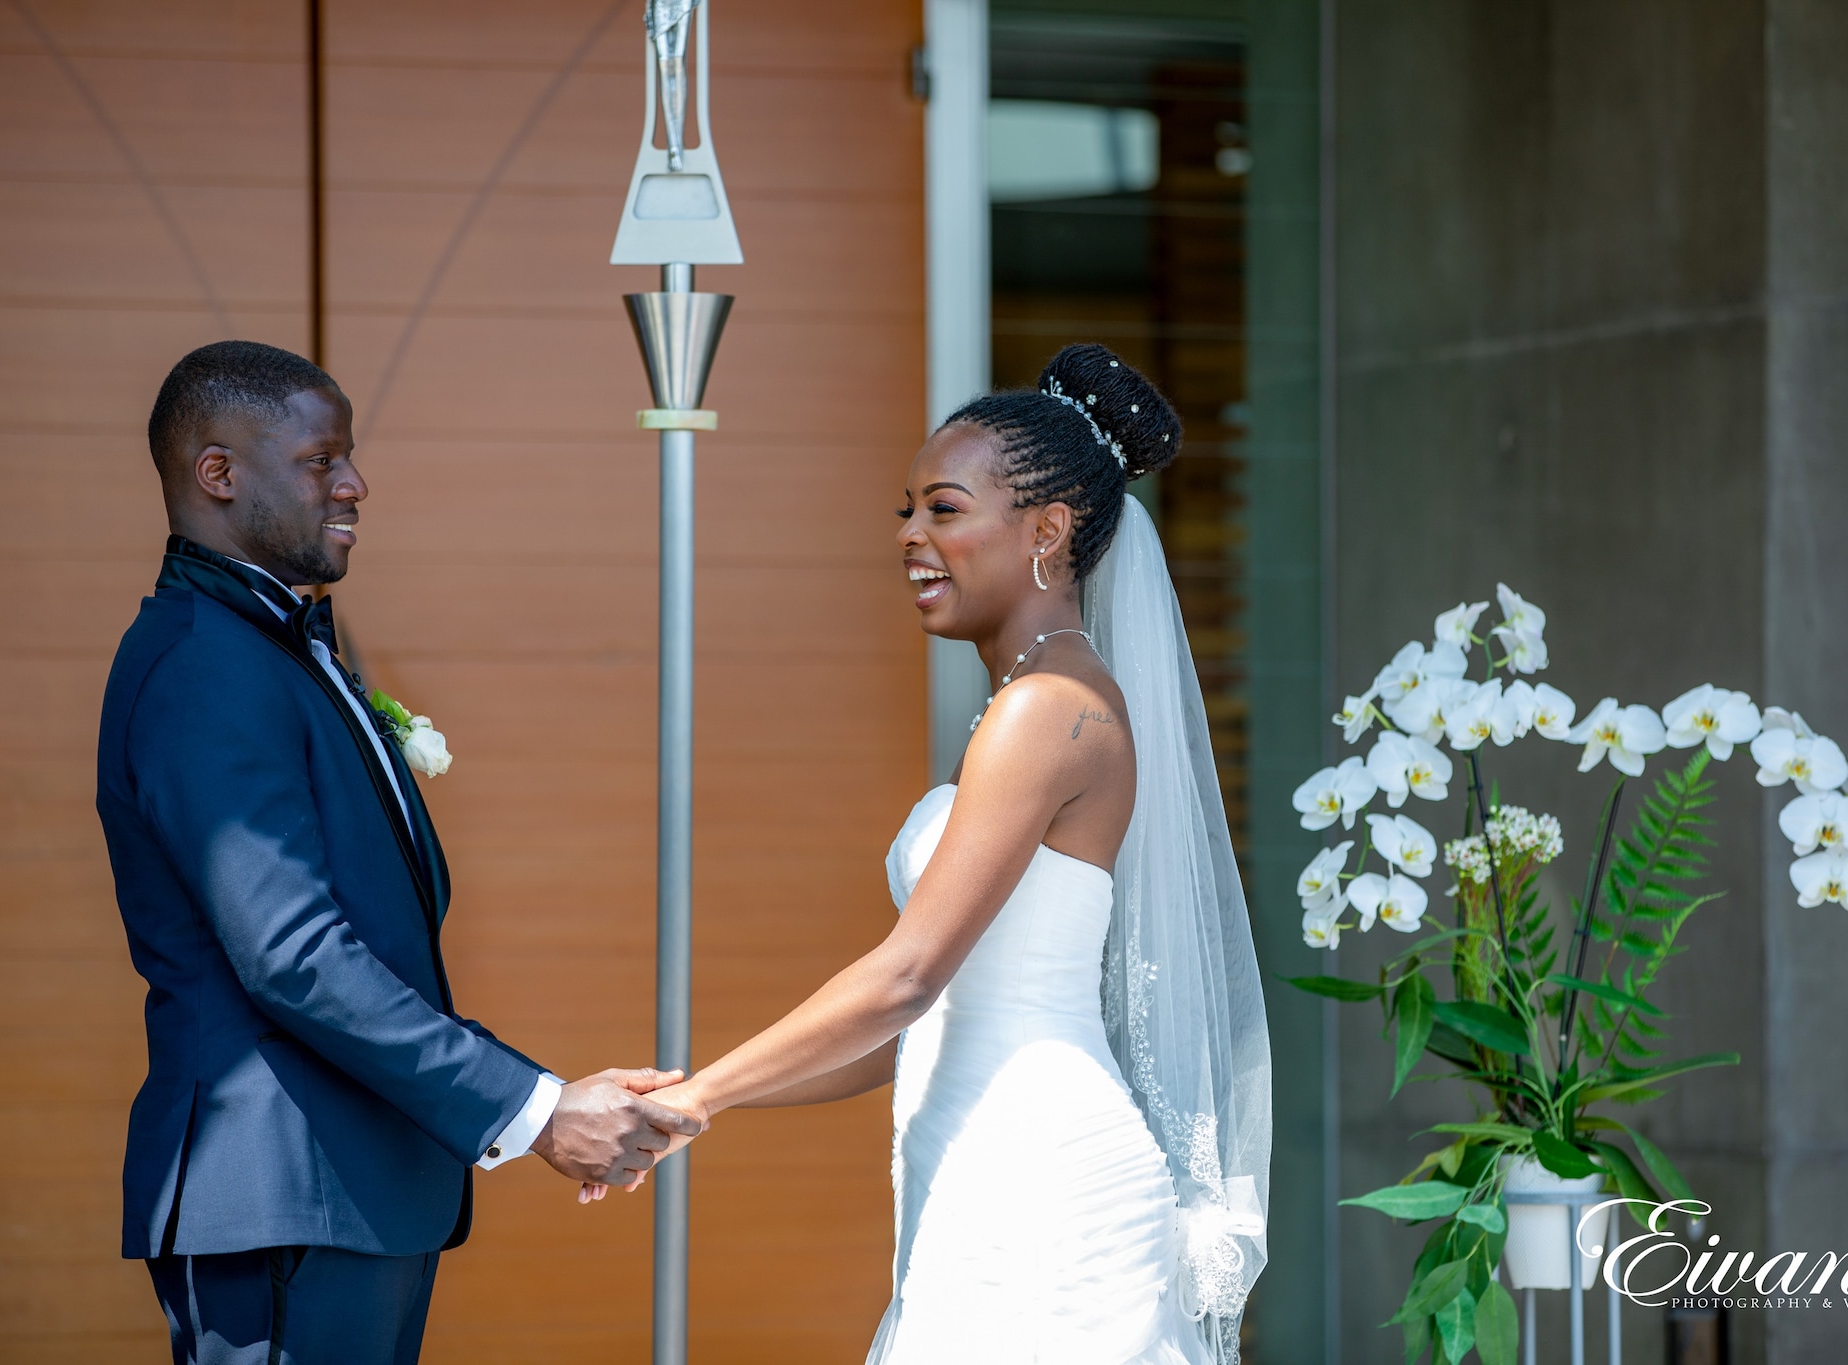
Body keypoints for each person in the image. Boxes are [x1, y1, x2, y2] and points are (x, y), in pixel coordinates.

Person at [614, 345, 1273, 1363]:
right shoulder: (1035, 700)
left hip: (1040, 1185)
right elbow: (909, 1027)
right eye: (905, 510)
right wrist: (699, 1101)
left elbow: (906, 976)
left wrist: (701, 1095)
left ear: (1047, 532)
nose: (911, 537)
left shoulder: (1046, 709)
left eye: (944, 509)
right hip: (970, 1164)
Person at [96, 340, 701, 1365]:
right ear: (218, 474)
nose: (354, 483)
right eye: (321, 460)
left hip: (342, 1190)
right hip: (282, 1191)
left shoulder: (271, 647)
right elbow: (293, 955)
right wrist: (535, 1107)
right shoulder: (207, 665)